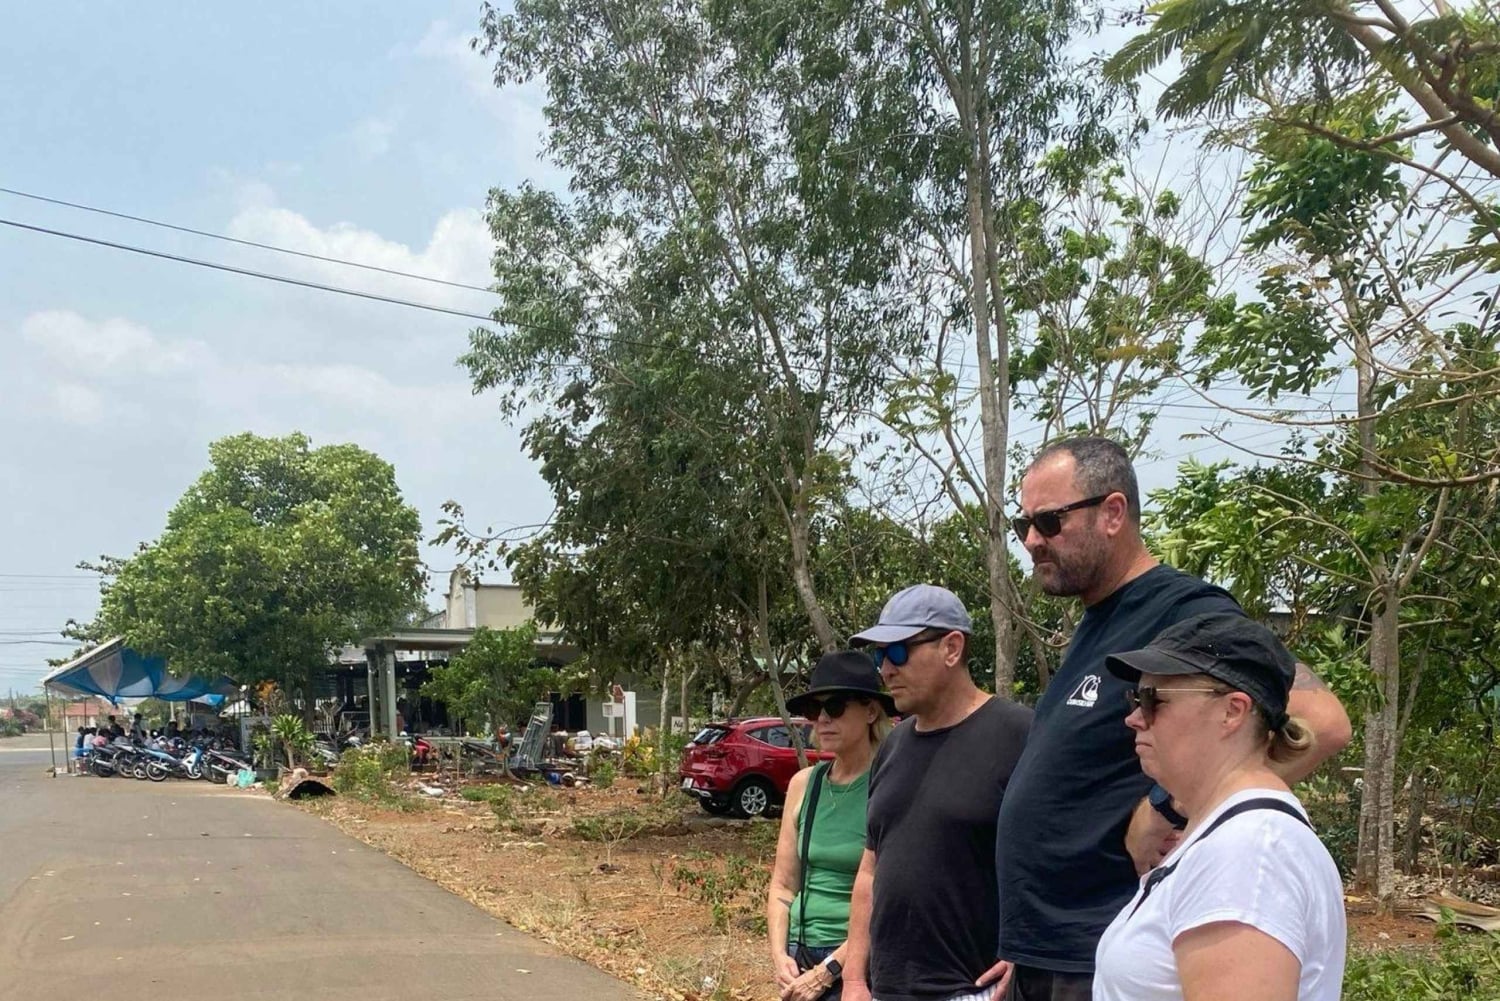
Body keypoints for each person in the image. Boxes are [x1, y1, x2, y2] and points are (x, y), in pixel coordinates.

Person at [991, 437, 1352, 1001]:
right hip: (1053, 952)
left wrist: (1164, 808)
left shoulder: (1183, 614)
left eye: (1050, 521)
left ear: (1113, 513)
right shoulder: (1098, 621)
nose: (1033, 541)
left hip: (1104, 951)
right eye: (1024, 526)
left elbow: (1322, 720)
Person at [1093, 613, 1346, 1001]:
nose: (1133, 718)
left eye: (1152, 700)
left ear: (1232, 711)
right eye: (1134, 698)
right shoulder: (1233, 838)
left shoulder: (1251, 853)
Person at [841, 585, 1033, 1001]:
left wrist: (1026, 952)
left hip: (972, 989)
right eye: (879, 656)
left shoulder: (1019, 735)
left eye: (898, 652)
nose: (885, 669)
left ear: (951, 648)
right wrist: (854, 978)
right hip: (884, 990)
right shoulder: (893, 744)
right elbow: (870, 869)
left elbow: (1057, 857)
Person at [767, 651, 895, 1001]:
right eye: (814, 710)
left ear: (871, 711)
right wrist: (780, 956)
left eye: (835, 707)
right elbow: (782, 885)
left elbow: (891, 898)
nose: (822, 719)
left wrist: (832, 970)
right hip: (799, 956)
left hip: (856, 965)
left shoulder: (888, 786)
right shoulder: (805, 784)